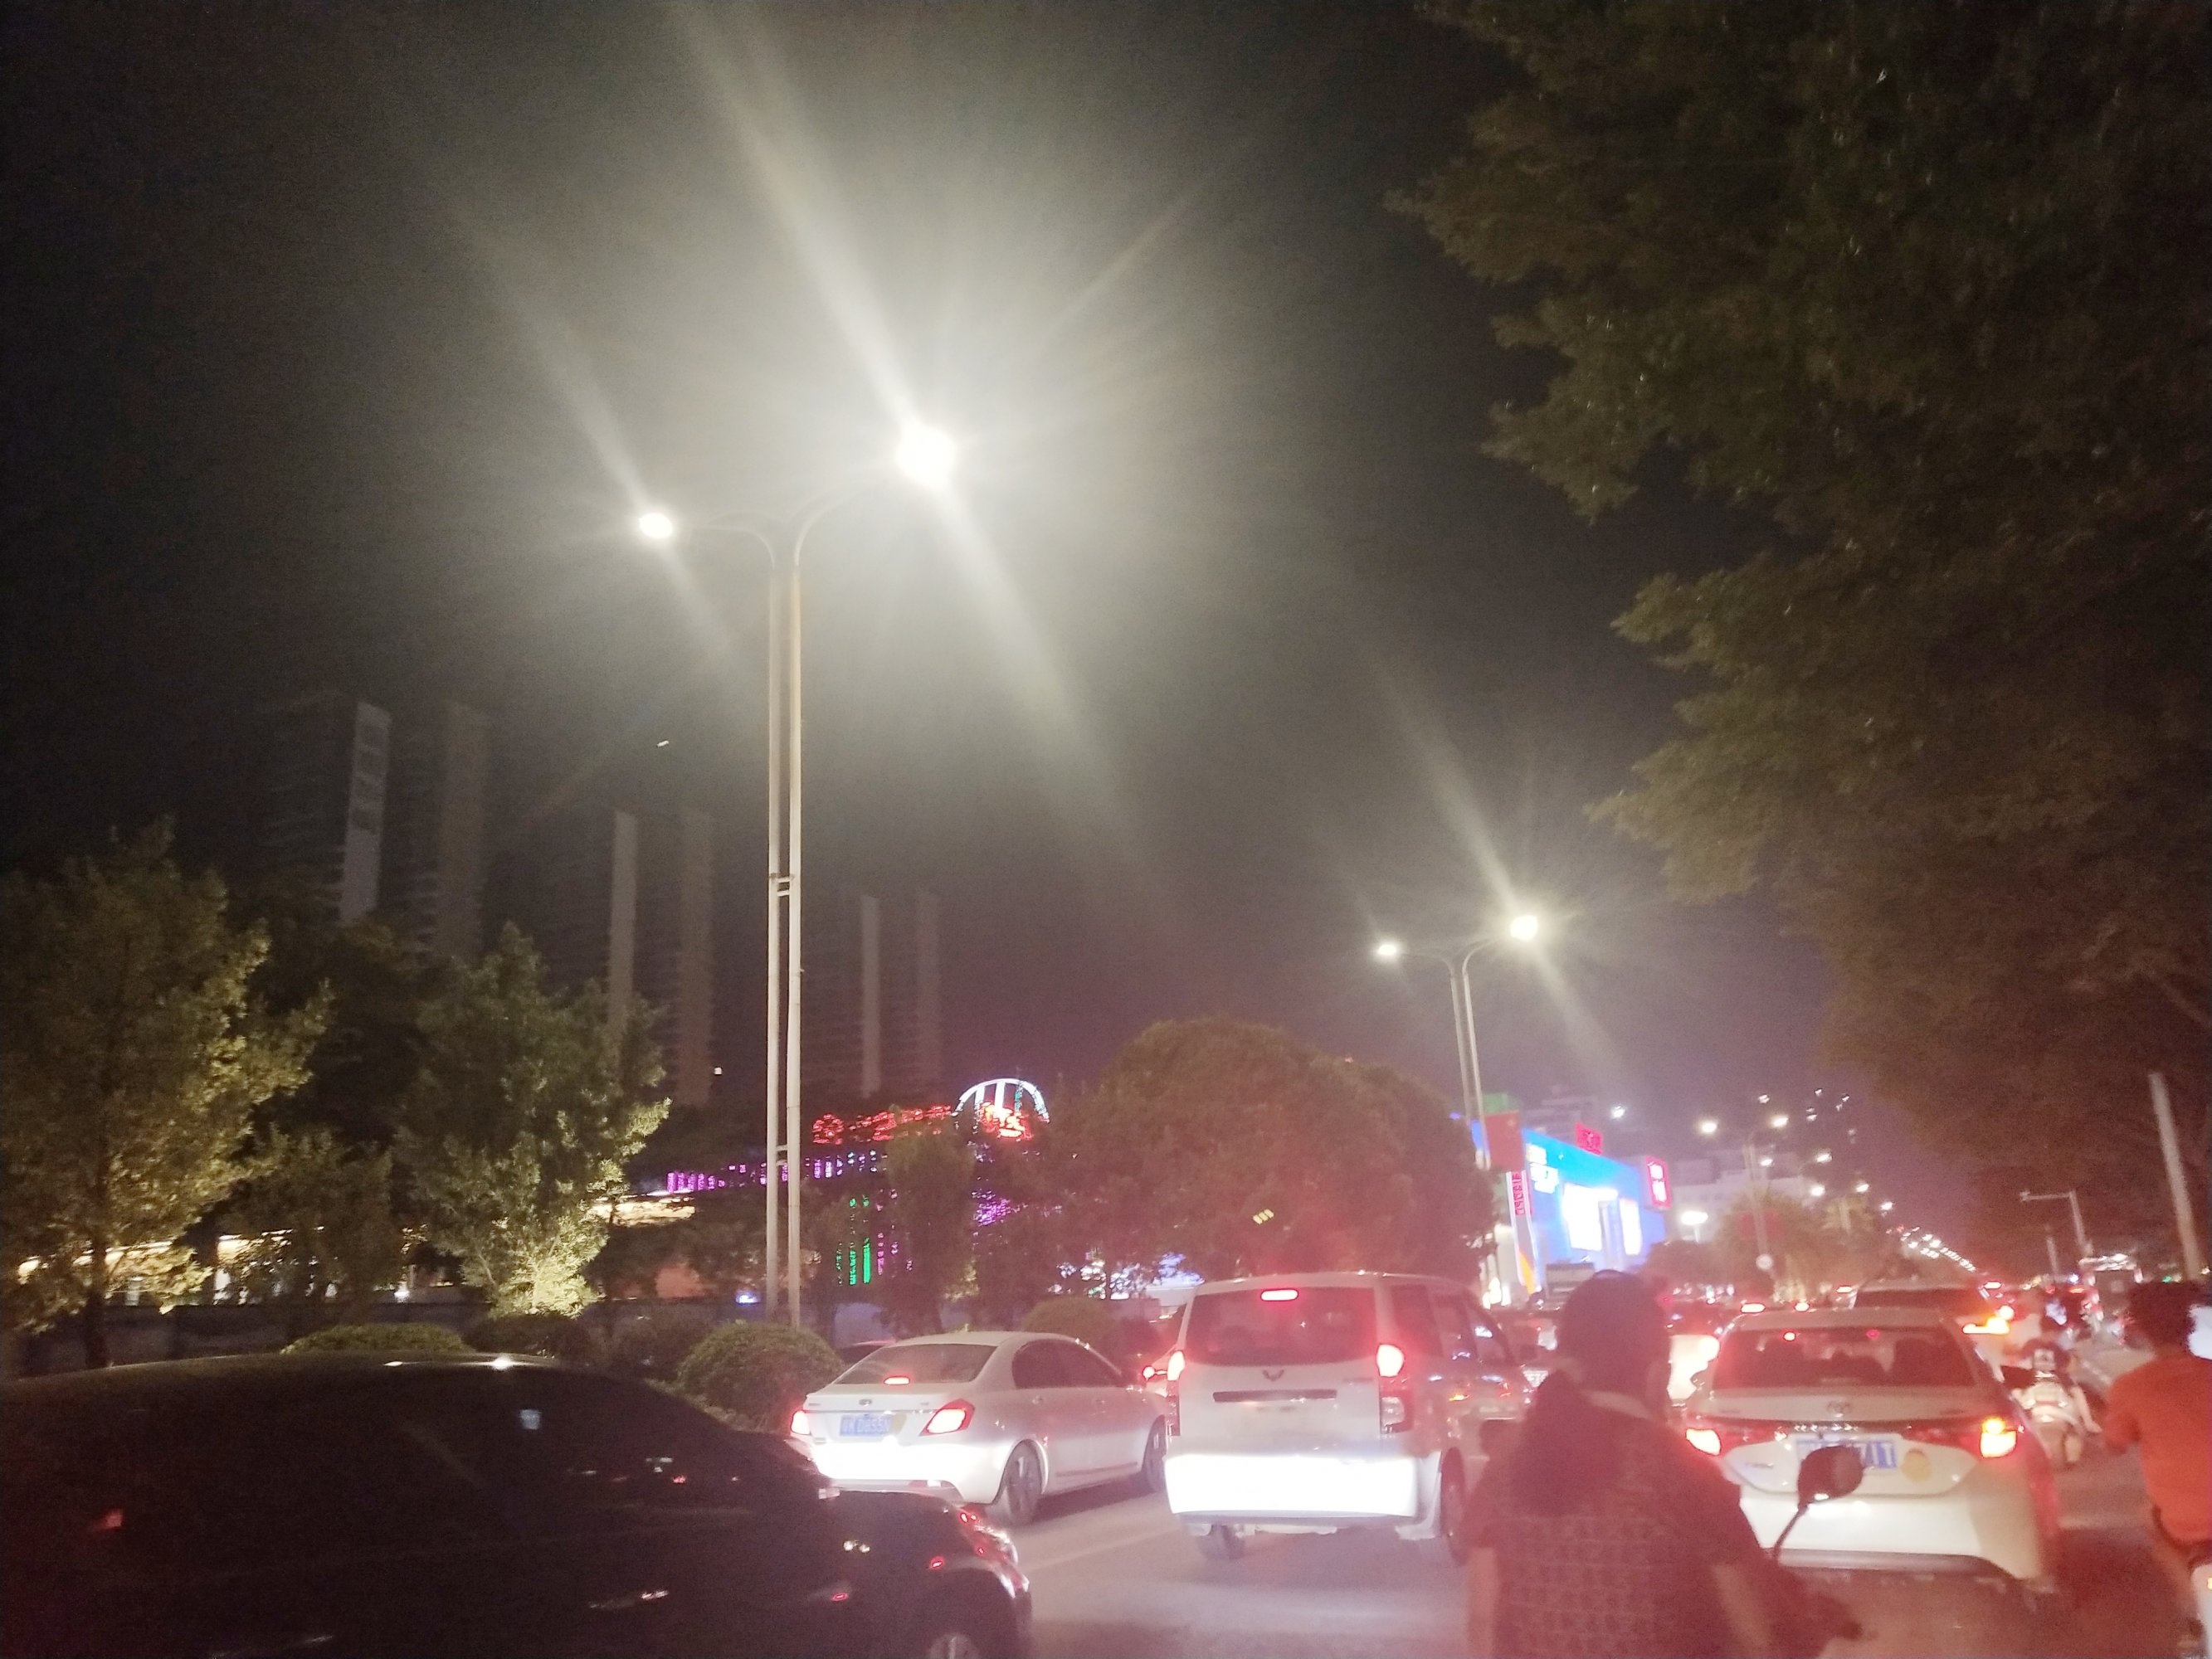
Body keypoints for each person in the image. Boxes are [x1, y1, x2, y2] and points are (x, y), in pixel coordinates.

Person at [1465, 1271, 1776, 1658]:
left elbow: (1483, 1621)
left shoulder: (1510, 1462)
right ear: (1657, 1373)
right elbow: (1756, 1634)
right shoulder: (1682, 1471)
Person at [2102, 1279, 2212, 1637]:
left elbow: (2115, 1444)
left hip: (2187, 1521)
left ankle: (2194, 1615)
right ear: (2189, 1325)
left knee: (2151, 1521)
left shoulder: (2131, 1386)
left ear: (2143, 1331)